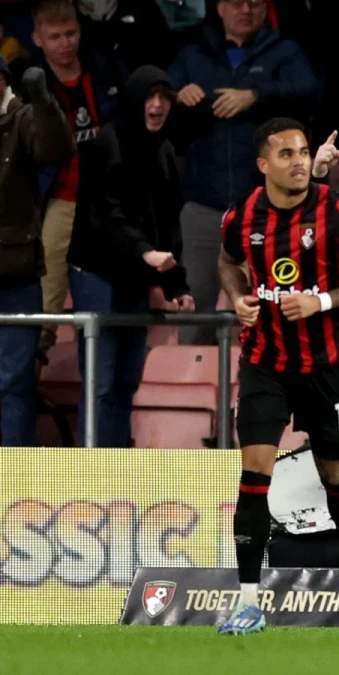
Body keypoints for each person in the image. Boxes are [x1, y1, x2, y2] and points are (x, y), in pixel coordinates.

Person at [214, 117, 339, 635]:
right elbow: (227, 261)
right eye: (286, 153)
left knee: (336, 475)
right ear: (263, 164)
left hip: (325, 366)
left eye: (303, 152)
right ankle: (248, 601)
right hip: (265, 363)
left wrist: (322, 300)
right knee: (254, 478)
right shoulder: (241, 215)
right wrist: (237, 297)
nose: (298, 161)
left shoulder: (335, 211)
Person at [168, 0, 318, 344]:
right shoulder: (193, 53)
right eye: (237, 3)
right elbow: (157, 95)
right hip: (202, 204)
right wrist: (177, 93)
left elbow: (309, 89)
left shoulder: (283, 51)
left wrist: (256, 94)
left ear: (267, 9)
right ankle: (190, 393)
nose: (246, 10)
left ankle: (261, 390)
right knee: (195, 309)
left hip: (264, 208)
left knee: (270, 308)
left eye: (255, 3)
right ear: (220, 8)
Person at [65, 65, 194, 447]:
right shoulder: (109, 142)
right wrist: (145, 252)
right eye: (150, 98)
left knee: (127, 380)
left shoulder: (166, 150)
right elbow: (107, 214)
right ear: (136, 101)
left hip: (137, 274)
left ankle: (117, 466)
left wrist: (176, 284)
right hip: (97, 272)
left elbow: (169, 224)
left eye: (164, 98)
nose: (157, 106)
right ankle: (93, 469)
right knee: (101, 382)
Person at [31, 0, 125, 357]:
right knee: (44, 301)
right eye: (54, 36)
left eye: (70, 33)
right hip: (61, 199)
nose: (64, 43)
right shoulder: (29, 86)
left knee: (108, 308)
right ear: (38, 39)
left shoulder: (106, 71)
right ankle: (28, 385)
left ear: (80, 31)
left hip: (108, 198)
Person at [0, 61, 74, 447]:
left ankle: (12, 476)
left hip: (14, 274)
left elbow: (56, 150)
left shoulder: (26, 117)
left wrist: (45, 101)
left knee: (13, 382)